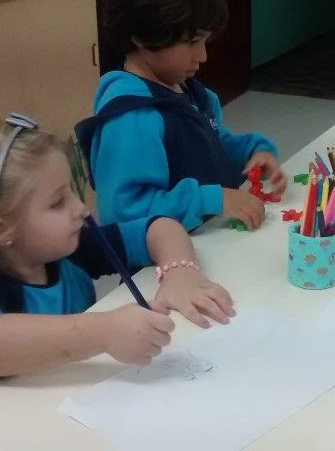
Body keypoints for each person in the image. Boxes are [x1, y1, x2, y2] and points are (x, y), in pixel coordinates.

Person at [0, 114, 235, 377]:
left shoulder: (73, 247)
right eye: (57, 203)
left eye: (71, 192)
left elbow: (160, 228)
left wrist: (179, 272)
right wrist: (103, 332)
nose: (80, 208)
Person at [76, 0, 286, 232]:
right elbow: (126, 214)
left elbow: (211, 150)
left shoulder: (188, 92)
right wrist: (210, 199)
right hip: (169, 257)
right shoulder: (131, 118)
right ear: (142, 36)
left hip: (209, 242)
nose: (203, 56)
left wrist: (253, 154)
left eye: (205, 41)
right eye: (192, 42)